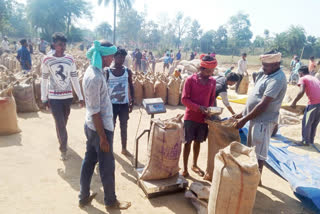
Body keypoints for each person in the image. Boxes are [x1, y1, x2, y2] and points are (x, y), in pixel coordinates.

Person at [79, 40, 131, 210]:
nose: (112, 59)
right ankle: (111, 201)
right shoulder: (94, 77)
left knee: (89, 161)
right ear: (102, 55)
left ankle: (84, 196)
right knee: (107, 166)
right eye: (110, 56)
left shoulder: (96, 71)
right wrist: (103, 137)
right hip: (99, 128)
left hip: (93, 126)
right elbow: (95, 111)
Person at [233, 51, 287, 185]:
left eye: (266, 66)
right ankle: (253, 177)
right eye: (263, 65)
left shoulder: (278, 79)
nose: (263, 68)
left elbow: (263, 104)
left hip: (264, 121)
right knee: (252, 150)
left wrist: (244, 119)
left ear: (276, 64)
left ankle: (256, 180)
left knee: (259, 153)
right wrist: (242, 113)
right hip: (255, 118)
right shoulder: (266, 73)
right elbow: (255, 97)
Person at [41, 32, 84, 161]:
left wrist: (80, 96)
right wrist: (44, 98)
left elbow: (74, 78)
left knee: (63, 122)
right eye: (60, 44)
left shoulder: (70, 59)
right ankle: (63, 149)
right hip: (54, 98)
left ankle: (61, 139)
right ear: (54, 44)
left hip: (67, 97)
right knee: (60, 123)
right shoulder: (47, 60)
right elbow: (44, 80)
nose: (63, 47)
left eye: (64, 44)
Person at [181, 54, 217, 178]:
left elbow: (212, 99)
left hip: (203, 119)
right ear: (201, 69)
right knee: (187, 142)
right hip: (191, 117)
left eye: (212, 71)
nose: (211, 73)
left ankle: (194, 164)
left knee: (198, 142)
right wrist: (198, 108)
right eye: (209, 71)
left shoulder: (212, 81)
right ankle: (185, 169)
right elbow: (185, 99)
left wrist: (210, 111)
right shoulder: (190, 80)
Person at [106, 48, 134, 156]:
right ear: (114, 57)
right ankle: (109, 149)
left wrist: (132, 100)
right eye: (119, 57)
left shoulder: (127, 71)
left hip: (124, 105)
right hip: (111, 105)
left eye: (123, 57)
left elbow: (131, 86)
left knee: (124, 127)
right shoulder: (108, 72)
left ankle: (124, 148)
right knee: (110, 127)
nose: (121, 59)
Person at [291, 66, 320, 146]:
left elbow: (301, 91)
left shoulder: (303, 78)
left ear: (301, 73)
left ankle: (305, 141)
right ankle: (310, 140)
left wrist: (294, 102)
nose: (299, 76)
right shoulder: (314, 78)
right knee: (314, 122)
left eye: (299, 74)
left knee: (306, 122)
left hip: (313, 103)